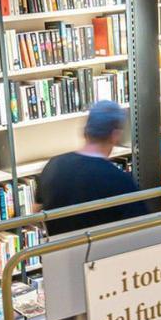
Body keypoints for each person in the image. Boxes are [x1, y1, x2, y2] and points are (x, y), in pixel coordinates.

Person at [36, 100, 149, 235]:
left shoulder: (53, 165)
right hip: (102, 248)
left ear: (85, 131)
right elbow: (142, 229)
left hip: (60, 246)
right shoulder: (119, 180)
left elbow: (36, 212)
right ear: (115, 135)